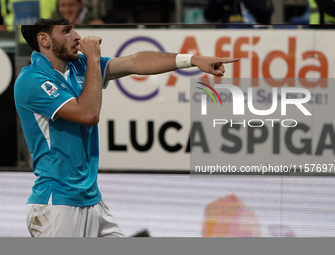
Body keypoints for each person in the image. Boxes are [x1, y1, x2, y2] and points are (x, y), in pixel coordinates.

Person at [14, 18, 239, 237]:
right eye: (66, 31)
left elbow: (134, 62)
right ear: (44, 39)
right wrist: (93, 59)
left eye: (74, 29)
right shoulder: (32, 80)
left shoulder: (79, 66)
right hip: (57, 203)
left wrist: (191, 59)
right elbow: (89, 114)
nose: (77, 36)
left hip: (90, 198)